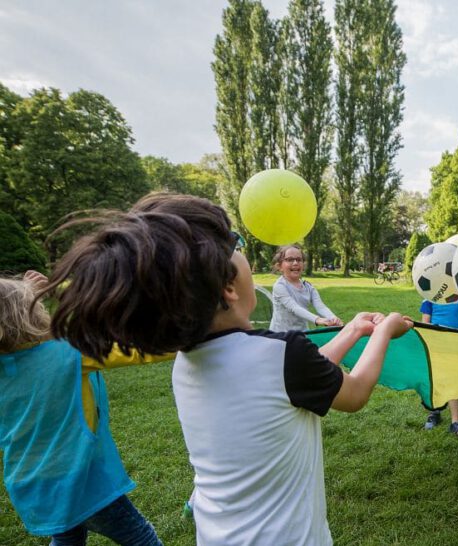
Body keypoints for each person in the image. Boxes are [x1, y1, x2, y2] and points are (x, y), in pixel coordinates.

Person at [42, 192, 413, 546]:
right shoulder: (282, 357)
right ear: (228, 287)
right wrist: (384, 331)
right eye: (236, 248)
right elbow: (355, 392)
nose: (244, 254)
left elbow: (298, 380)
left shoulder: (188, 363)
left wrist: (351, 331)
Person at [0, 271, 164, 546]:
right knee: (141, 538)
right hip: (82, 476)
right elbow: (138, 350)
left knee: (69, 537)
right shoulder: (69, 353)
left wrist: (30, 293)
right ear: (27, 315)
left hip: (35, 480)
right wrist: (189, 338)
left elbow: (27, 345)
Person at [421, 298, 458, 437]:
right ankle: (434, 413)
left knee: (453, 380)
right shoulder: (429, 298)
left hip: (455, 345)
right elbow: (425, 323)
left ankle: (455, 423)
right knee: (437, 380)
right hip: (436, 346)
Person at [270, 244, 343, 332]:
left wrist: (332, 318)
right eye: (290, 259)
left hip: (302, 334)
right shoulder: (279, 286)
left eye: (299, 259)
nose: (295, 263)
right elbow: (294, 308)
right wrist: (317, 319)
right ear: (279, 266)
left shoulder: (308, 287)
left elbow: (320, 307)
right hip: (281, 337)